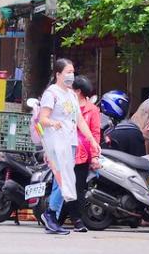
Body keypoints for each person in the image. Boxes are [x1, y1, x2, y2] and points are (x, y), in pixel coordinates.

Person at [37, 59, 82, 235]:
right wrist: (53, 123)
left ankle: (52, 216)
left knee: (63, 181)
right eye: (68, 72)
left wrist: (92, 140)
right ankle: (50, 214)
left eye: (72, 72)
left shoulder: (71, 95)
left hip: (70, 142)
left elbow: (79, 120)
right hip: (56, 142)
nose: (71, 75)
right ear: (58, 74)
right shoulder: (51, 93)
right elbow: (43, 119)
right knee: (63, 180)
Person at [69, 76, 102, 228]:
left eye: (73, 89)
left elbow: (95, 134)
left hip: (82, 155)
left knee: (79, 188)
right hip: (66, 151)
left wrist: (95, 156)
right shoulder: (67, 106)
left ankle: (77, 220)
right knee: (64, 188)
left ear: (79, 91)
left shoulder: (92, 110)